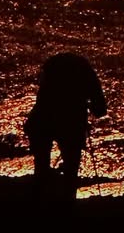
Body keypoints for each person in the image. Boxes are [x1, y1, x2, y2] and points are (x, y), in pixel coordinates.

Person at [25, 52, 107, 196]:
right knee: (71, 167)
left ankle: (38, 201)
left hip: (42, 122)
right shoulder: (85, 73)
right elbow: (100, 109)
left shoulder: (48, 82)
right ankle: (67, 204)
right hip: (71, 124)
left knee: (41, 167)